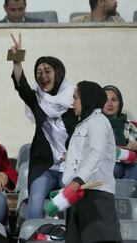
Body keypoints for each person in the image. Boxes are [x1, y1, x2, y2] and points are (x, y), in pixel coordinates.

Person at [9, 34, 78, 219]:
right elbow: (21, 86)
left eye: (47, 71)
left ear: (58, 73)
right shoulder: (37, 99)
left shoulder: (75, 100)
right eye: (38, 72)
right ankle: (32, 236)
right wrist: (17, 61)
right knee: (36, 200)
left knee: (69, 205)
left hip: (71, 166)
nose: (42, 75)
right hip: (45, 165)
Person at [63, 81, 121, 243]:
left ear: (86, 98)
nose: (72, 103)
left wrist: (77, 179)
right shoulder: (85, 123)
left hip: (96, 196)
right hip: (79, 194)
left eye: (75, 98)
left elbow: (96, 152)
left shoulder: (98, 121)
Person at [103, 85, 137, 180]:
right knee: (116, 168)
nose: (110, 104)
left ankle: (126, 194)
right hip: (106, 164)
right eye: (106, 100)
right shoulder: (96, 124)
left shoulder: (129, 126)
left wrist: (135, 145)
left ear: (120, 103)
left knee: (135, 168)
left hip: (128, 163)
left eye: (114, 100)